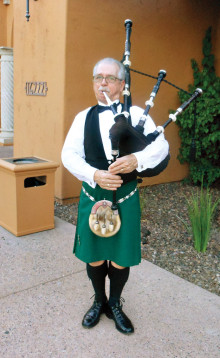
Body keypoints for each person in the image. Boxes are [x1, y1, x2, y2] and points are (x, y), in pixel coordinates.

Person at [61, 57, 169, 334]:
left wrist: (136, 159)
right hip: (93, 192)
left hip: (126, 196)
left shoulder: (136, 113)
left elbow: (161, 148)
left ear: (122, 84)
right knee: (94, 255)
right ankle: (99, 301)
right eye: (98, 78)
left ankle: (115, 304)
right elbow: (68, 155)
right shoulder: (83, 117)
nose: (103, 83)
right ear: (94, 83)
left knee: (121, 257)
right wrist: (94, 174)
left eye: (110, 78)